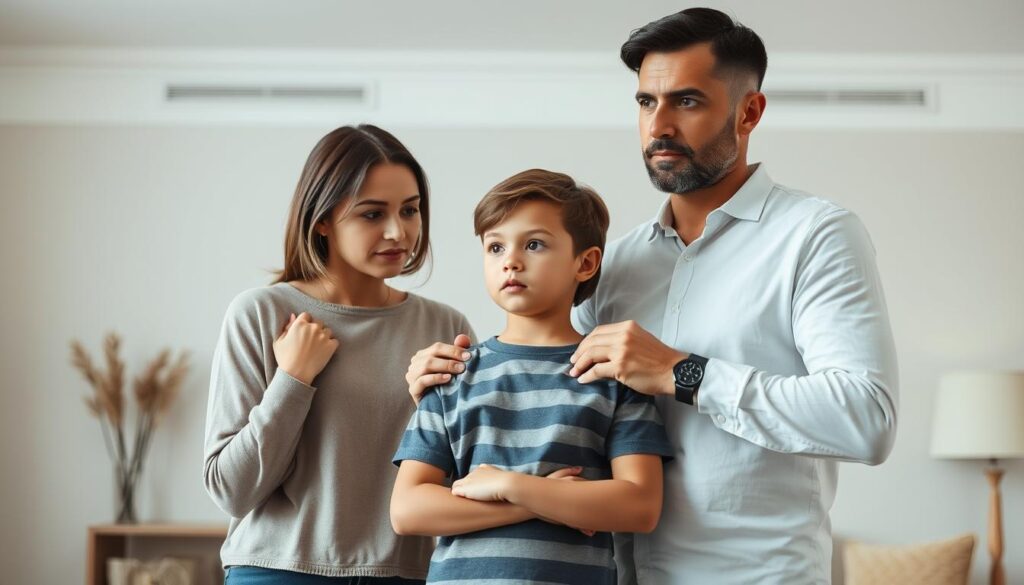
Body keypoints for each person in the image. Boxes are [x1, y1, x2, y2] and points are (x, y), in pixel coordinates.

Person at [405, 8, 899, 584]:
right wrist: (439, 376)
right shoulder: (614, 263)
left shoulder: (815, 235)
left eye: (686, 102)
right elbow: (553, 381)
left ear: (749, 112)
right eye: (645, 102)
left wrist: (683, 373)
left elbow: (868, 419)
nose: (658, 125)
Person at [203, 124, 475, 584]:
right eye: (372, 214)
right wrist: (292, 379)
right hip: (277, 571)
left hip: (405, 573)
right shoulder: (261, 314)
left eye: (410, 210)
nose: (398, 231)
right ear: (322, 219)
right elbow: (231, 490)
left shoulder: (444, 328)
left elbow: (461, 480)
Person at [390, 169, 674, 585]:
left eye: (535, 244)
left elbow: (640, 506)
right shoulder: (453, 374)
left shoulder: (611, 375)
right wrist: (531, 502)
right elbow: (409, 509)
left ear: (586, 262)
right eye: (495, 247)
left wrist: (509, 484)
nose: (511, 261)